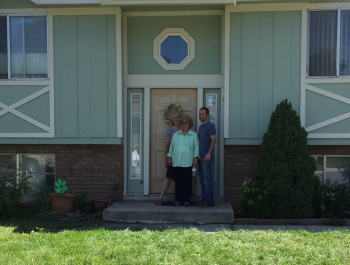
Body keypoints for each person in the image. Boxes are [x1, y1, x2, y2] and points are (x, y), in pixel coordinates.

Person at [167, 115, 199, 207]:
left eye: (186, 122)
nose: (184, 124)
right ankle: (177, 199)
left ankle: (186, 200)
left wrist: (195, 158)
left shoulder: (193, 135)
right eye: (182, 122)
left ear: (190, 124)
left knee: (187, 183)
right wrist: (169, 157)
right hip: (177, 162)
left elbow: (196, 148)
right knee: (178, 182)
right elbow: (172, 147)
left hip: (188, 162)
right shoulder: (176, 135)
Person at [157, 111, 182, 206]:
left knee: (179, 180)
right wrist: (167, 158)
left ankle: (178, 199)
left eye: (178, 117)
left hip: (182, 159)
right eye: (174, 117)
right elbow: (167, 146)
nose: (176, 119)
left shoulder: (184, 130)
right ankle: (160, 197)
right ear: (172, 119)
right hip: (172, 158)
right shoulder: (170, 131)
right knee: (168, 177)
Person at [197, 107, 217, 207]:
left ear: (207, 115)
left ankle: (209, 200)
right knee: (202, 179)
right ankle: (204, 199)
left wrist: (209, 154)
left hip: (207, 158)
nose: (201, 116)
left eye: (203, 114)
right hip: (200, 158)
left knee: (207, 179)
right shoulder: (200, 128)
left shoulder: (210, 126)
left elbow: (214, 140)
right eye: (200, 114)